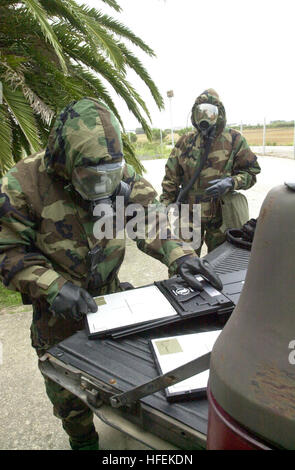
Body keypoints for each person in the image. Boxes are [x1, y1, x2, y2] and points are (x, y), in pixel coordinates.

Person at [0, 98, 222, 450]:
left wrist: (180, 255)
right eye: (91, 179)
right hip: (57, 314)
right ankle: (84, 442)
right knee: (69, 398)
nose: (102, 188)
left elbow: (151, 218)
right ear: (66, 163)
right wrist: (54, 287)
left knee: (124, 379)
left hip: (113, 302)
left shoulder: (118, 173)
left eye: (110, 177)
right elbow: (8, 252)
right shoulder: (22, 185)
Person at [160, 89, 261, 255]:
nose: (205, 117)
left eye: (211, 112)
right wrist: (163, 205)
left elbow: (251, 171)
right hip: (189, 214)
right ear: (194, 115)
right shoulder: (185, 142)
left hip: (222, 215)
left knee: (221, 263)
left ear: (219, 114)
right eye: (200, 112)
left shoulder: (234, 140)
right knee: (183, 262)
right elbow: (171, 177)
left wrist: (232, 182)